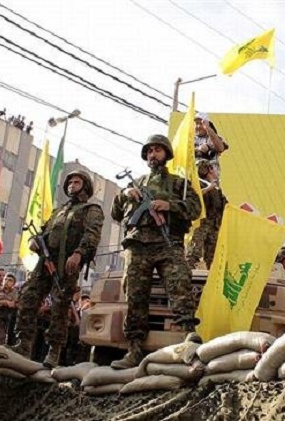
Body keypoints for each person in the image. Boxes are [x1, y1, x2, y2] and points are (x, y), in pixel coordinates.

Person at [110, 134, 202, 369]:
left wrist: (169, 205)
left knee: (180, 285)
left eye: (158, 150)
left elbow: (195, 208)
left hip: (168, 242)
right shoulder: (136, 184)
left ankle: (189, 338)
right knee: (135, 295)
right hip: (138, 244)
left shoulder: (178, 184)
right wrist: (124, 195)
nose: (153, 154)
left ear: (166, 154)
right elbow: (116, 214)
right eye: (149, 151)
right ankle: (134, 349)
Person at [12, 170, 104, 368]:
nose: (72, 185)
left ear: (85, 186)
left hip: (67, 265)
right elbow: (43, 232)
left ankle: (54, 350)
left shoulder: (91, 210)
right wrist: (35, 242)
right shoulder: (58, 211)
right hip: (45, 262)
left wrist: (79, 254)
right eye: (70, 182)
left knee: (60, 306)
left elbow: (92, 235)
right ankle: (23, 343)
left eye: (76, 182)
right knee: (28, 297)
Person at [185, 159, 227, 270]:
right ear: (209, 169)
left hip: (214, 225)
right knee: (194, 251)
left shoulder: (218, 188)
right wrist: (209, 188)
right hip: (201, 224)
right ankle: (188, 272)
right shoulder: (198, 184)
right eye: (213, 168)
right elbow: (195, 195)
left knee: (212, 256)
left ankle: (211, 275)